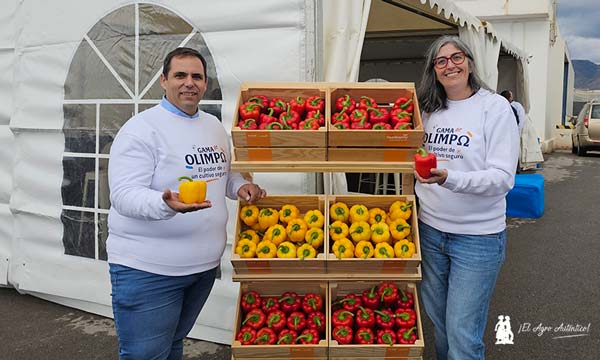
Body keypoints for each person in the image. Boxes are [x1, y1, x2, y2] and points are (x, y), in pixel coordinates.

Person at [106, 47, 266, 360]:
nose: (189, 83)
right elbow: (123, 194)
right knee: (146, 355)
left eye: (197, 76)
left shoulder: (214, 127)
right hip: (149, 271)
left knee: (174, 344)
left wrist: (242, 186)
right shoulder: (141, 129)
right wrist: (166, 203)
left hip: (202, 268)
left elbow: (224, 175)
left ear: (205, 84)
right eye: (180, 75)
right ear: (163, 81)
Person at [415, 36, 519, 360]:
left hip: (477, 239)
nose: (450, 65)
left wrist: (449, 178)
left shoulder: (494, 108)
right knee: (441, 326)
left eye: (456, 57)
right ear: (434, 70)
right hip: (430, 232)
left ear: (470, 63)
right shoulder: (428, 111)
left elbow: (503, 178)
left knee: (462, 333)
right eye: (441, 60)